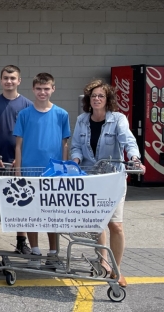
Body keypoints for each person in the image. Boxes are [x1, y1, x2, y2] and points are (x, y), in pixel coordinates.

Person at [70, 79, 145, 288]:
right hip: (91, 178)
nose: (96, 99)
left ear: (107, 99)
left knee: (116, 225)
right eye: (93, 96)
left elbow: (128, 141)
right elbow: (76, 146)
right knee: (98, 223)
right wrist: (75, 160)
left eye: (100, 96)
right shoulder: (83, 120)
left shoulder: (118, 119)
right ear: (88, 100)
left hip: (113, 178)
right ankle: (103, 261)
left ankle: (117, 269)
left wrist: (135, 159)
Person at [13, 73, 71, 271]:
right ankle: (35, 251)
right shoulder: (25, 115)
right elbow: (18, 146)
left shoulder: (61, 114)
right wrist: (18, 172)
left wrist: (62, 171)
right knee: (31, 214)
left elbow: (65, 145)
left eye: (46, 88)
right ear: (33, 90)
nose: (42, 92)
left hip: (52, 174)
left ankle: (54, 253)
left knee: (52, 214)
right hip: (29, 171)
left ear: (53, 89)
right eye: (39, 89)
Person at [0, 65, 33, 255]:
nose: (9, 81)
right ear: (1, 80)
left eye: (13, 78)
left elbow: (31, 136)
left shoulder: (28, 105)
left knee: (20, 203)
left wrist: (20, 158)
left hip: (18, 164)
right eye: (6, 78)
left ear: (19, 80)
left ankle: (21, 241)